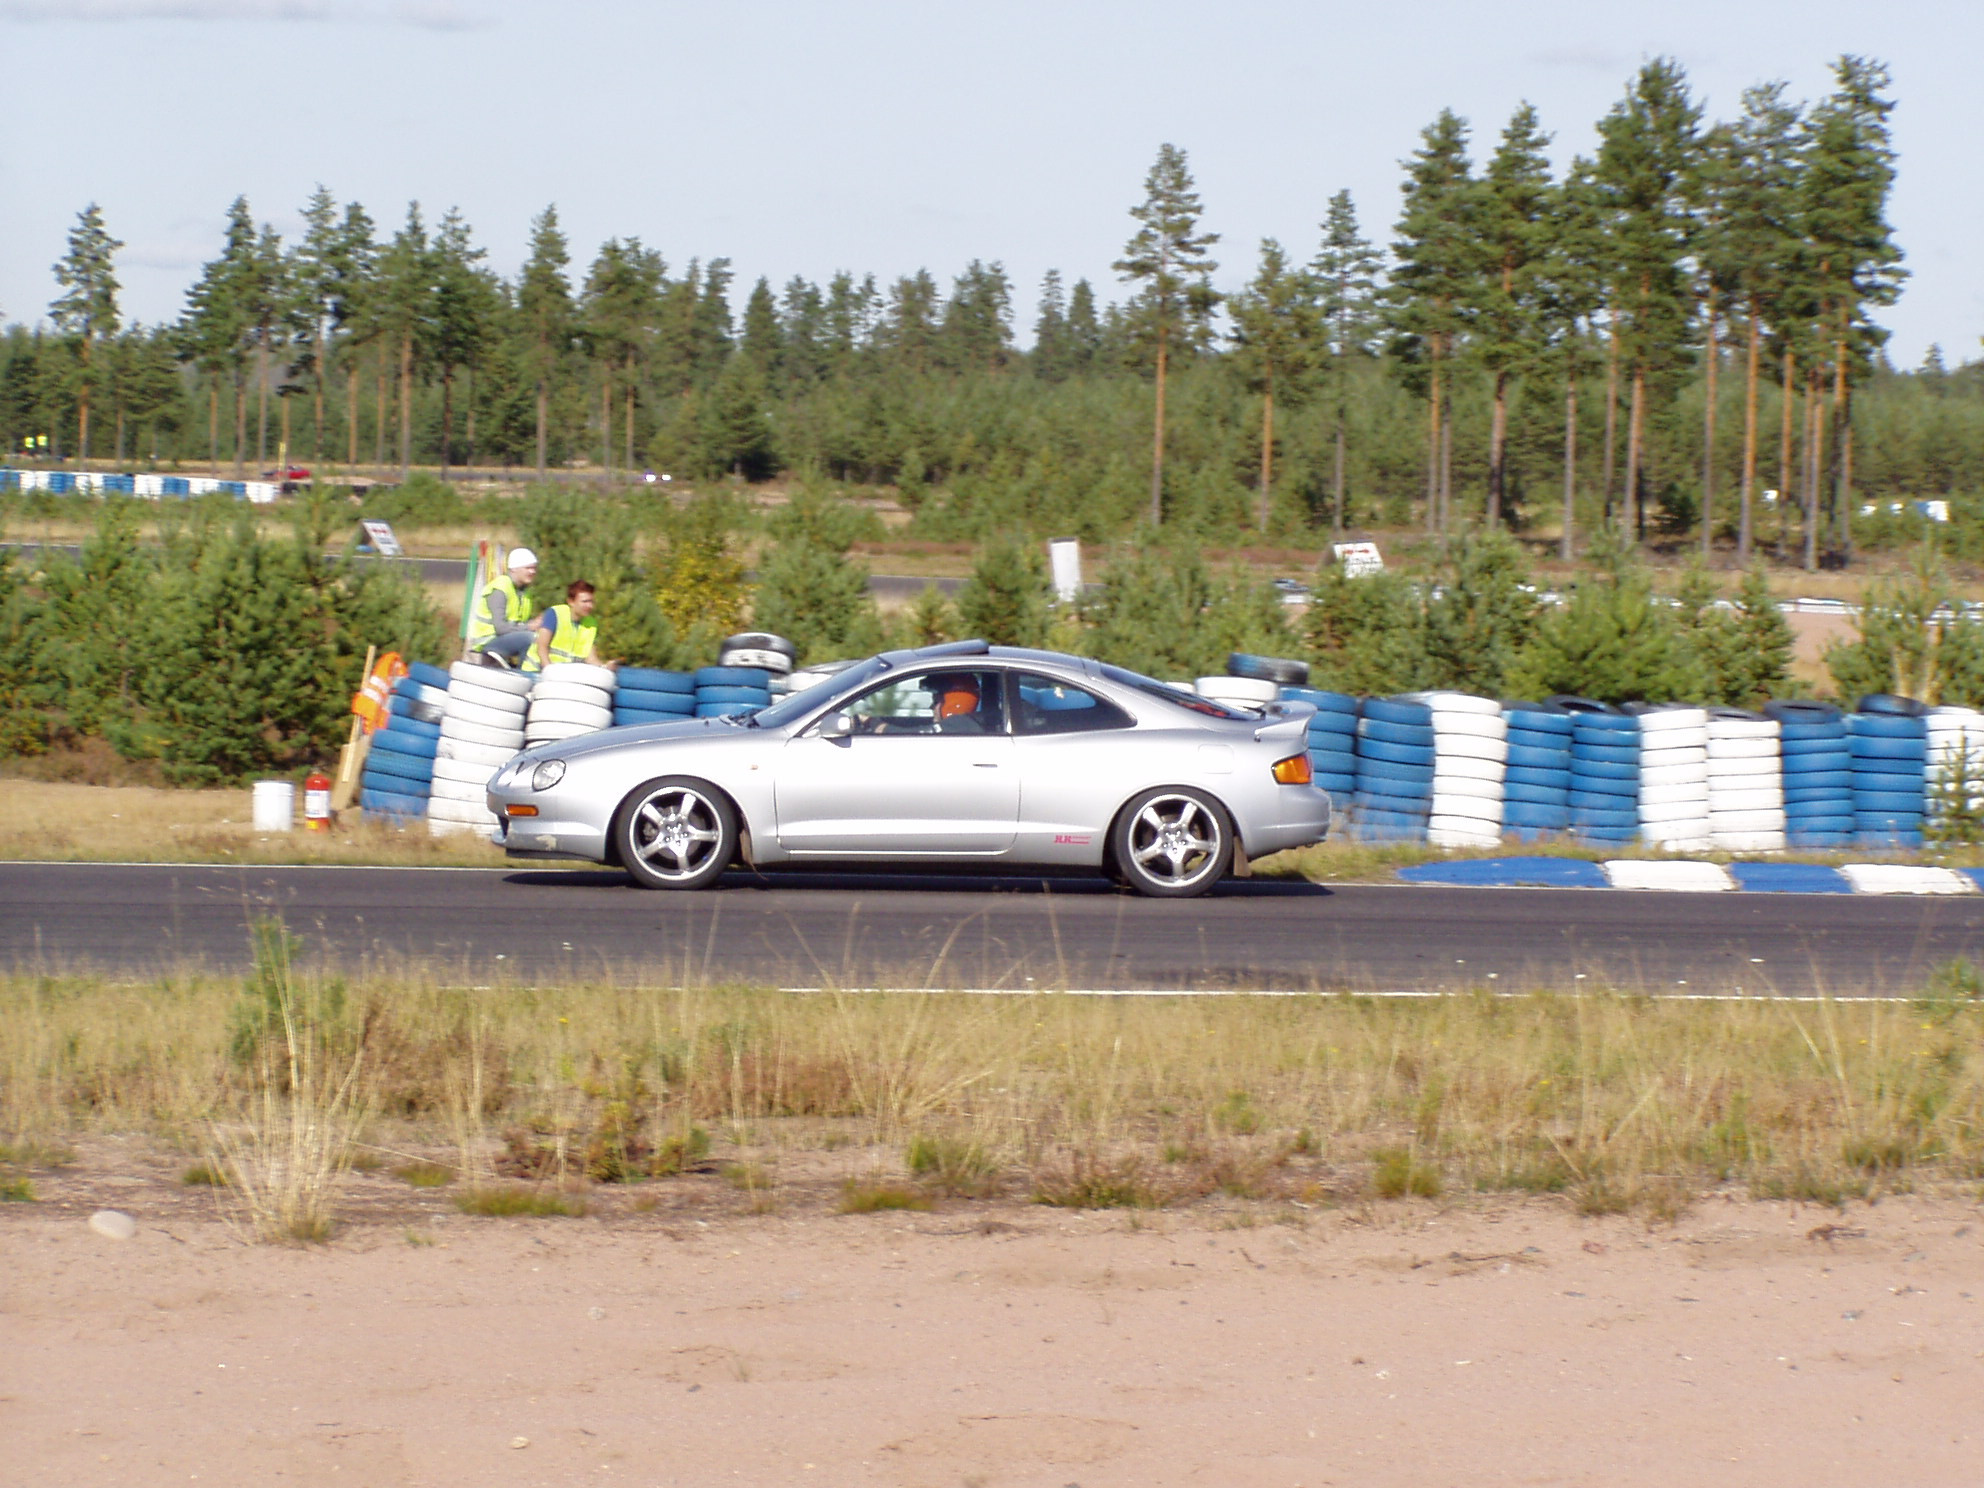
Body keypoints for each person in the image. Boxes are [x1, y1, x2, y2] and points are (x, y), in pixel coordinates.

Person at [466, 547, 539, 669]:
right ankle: (525, 675)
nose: (532, 572)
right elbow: (500, 628)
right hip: (487, 641)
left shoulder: (525, 593)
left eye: (534, 568)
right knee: (530, 638)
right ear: (514, 569)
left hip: (505, 638)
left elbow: (518, 622)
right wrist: (529, 627)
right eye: (528, 568)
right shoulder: (500, 589)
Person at [529, 580, 610, 672]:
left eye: (591, 602)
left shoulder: (591, 624)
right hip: (536, 671)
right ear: (571, 601)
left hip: (565, 675)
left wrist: (604, 668)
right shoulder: (555, 614)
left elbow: (590, 658)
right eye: (585, 602)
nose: (589, 606)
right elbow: (542, 647)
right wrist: (549, 671)